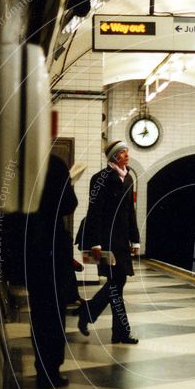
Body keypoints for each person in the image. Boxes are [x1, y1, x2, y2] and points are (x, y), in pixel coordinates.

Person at [77, 140, 140, 344]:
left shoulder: (129, 178)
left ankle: (90, 314)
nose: (127, 155)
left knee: (116, 285)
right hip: (105, 240)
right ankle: (120, 331)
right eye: (123, 152)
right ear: (114, 157)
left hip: (121, 240)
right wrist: (95, 242)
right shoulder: (100, 179)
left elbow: (131, 211)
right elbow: (94, 211)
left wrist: (135, 239)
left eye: (127, 151)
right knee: (116, 284)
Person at [25, 153, 78, 388]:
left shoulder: (19, 162)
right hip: (52, 247)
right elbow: (68, 204)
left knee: (38, 312)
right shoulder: (53, 163)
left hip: (30, 249)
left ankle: (41, 368)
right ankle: (51, 371)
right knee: (54, 312)